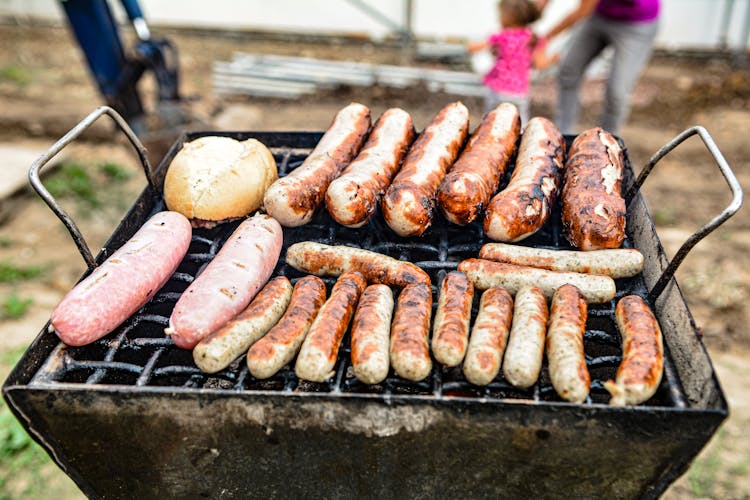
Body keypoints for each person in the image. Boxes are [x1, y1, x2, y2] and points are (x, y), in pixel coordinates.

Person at [543, 0, 660, 134]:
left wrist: (545, 38)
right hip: (599, 16)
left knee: (617, 92)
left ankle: (607, 144)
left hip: (636, 24)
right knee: (568, 70)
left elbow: (582, 11)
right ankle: (563, 134)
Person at [468, 0, 559, 124]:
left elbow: (473, 48)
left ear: (510, 17)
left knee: (490, 121)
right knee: (520, 123)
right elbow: (540, 64)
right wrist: (553, 60)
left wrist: (472, 47)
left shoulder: (502, 36)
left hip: (497, 88)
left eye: (500, 15)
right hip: (519, 92)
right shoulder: (533, 39)